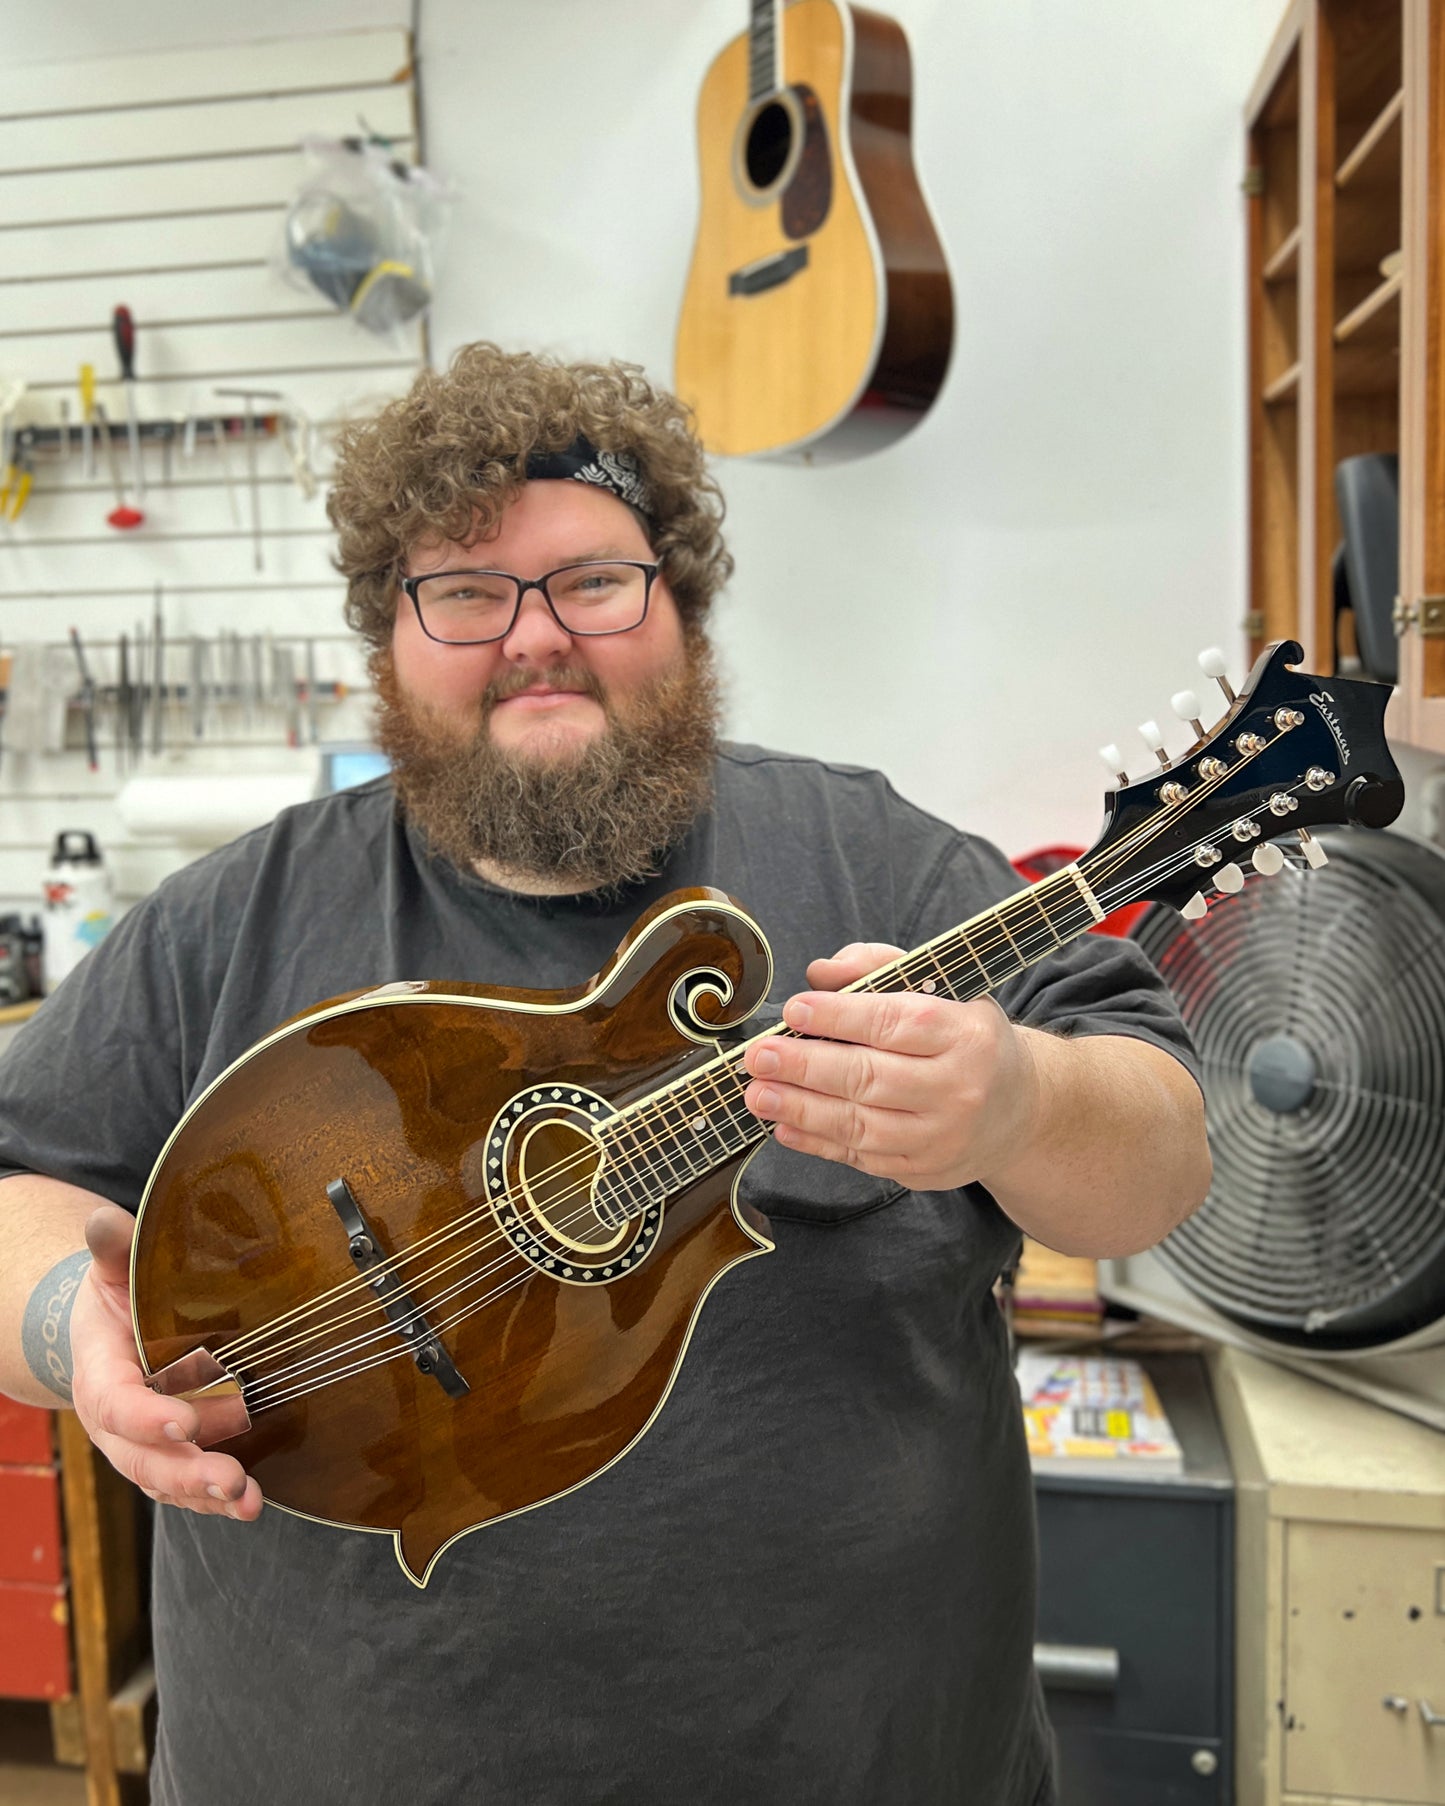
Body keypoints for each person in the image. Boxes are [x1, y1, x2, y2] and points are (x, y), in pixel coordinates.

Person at [0, 343, 1208, 1806]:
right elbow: (24, 1188)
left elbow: (1157, 1163)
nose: (533, 638)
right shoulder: (229, 922)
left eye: (592, 580)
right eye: (462, 590)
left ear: (680, 609)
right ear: (387, 636)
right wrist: (81, 1332)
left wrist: (1015, 1101)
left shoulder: (879, 866)